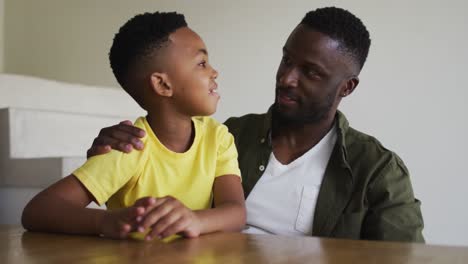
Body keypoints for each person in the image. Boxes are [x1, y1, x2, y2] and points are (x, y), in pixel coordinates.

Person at [87, 7, 424, 242]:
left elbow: (404, 257)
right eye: (287, 59)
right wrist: (114, 147)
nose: (287, 78)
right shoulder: (226, 136)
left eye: (310, 72)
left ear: (346, 87)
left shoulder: (379, 171)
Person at [21, 12, 246, 241]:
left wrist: (195, 220)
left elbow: (236, 213)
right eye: (202, 63)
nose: (214, 71)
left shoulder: (218, 139)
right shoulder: (128, 147)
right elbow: (37, 211)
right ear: (162, 84)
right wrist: (107, 221)